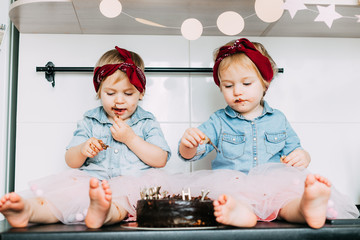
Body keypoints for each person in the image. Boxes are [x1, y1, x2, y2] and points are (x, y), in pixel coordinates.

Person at [178, 38, 359, 228]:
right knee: (230, 199)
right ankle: (240, 214)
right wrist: (188, 145)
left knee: (286, 202)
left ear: (265, 83)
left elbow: (295, 151)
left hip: (274, 189)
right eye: (228, 86)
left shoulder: (278, 119)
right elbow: (189, 155)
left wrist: (303, 156)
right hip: (235, 187)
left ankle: (306, 207)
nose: (237, 91)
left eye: (246, 83)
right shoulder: (218, 121)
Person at [0, 46, 171, 229]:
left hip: (132, 186)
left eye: (128, 93)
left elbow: (160, 159)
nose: (119, 100)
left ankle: (102, 212)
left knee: (121, 203)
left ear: (141, 93)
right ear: (99, 92)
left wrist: (131, 138)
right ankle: (29, 210)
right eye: (110, 93)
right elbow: (71, 161)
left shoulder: (146, 121)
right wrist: (83, 150)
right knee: (64, 198)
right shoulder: (90, 120)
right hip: (92, 185)